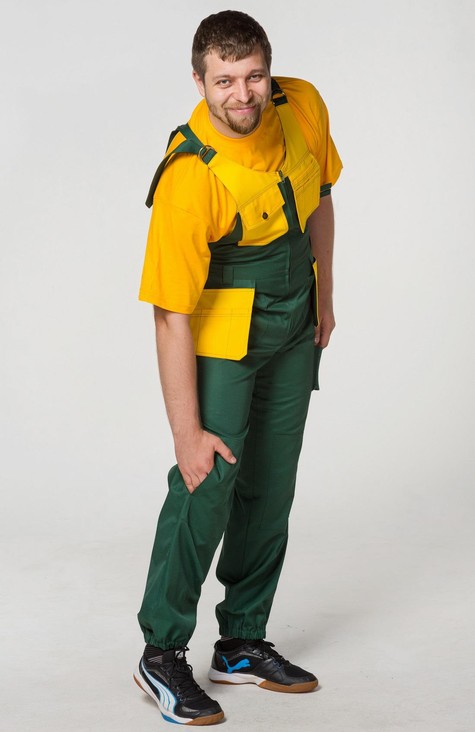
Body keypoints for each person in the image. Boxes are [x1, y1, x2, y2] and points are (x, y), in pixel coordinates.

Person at [134, 10, 342, 726]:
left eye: (253, 76)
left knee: (270, 483)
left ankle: (242, 642)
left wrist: (325, 296)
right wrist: (185, 433)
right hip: (224, 332)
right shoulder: (190, 177)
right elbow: (170, 314)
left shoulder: (302, 105)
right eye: (224, 81)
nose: (242, 94)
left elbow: (319, 200)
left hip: (294, 321)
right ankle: (161, 651)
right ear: (199, 82)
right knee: (207, 481)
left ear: (268, 70)